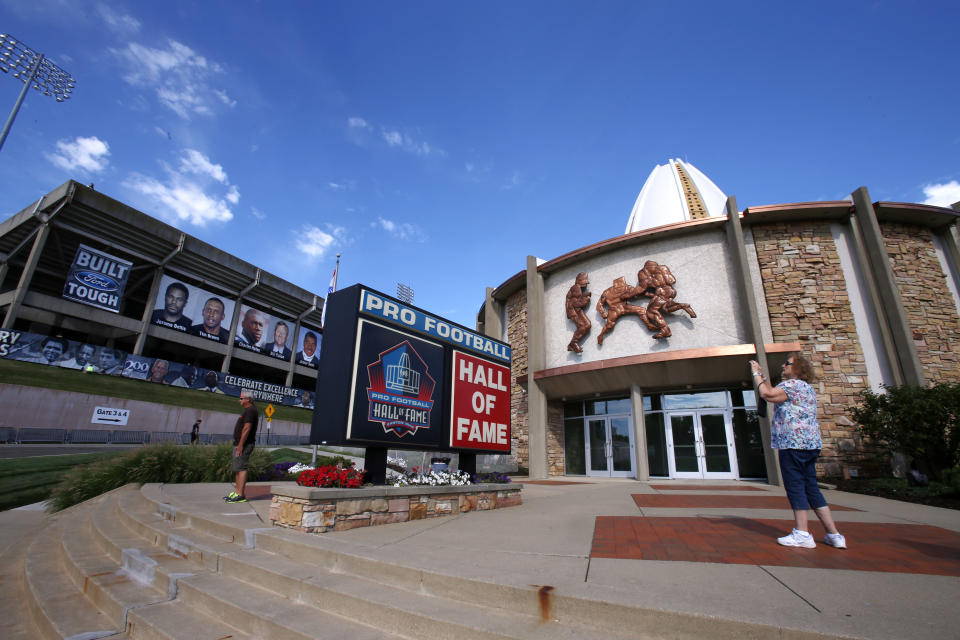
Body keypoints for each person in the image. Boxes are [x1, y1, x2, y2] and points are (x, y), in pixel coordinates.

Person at [750, 353, 847, 550]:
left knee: (795, 487)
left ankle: (802, 533)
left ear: (798, 368)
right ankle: (834, 534)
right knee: (811, 488)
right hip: (810, 445)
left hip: (792, 444)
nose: (783, 366)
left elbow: (767, 395)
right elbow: (771, 391)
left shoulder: (792, 385)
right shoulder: (807, 389)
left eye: (787, 363)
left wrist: (756, 373)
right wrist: (764, 379)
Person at [224, 389, 259, 504]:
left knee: (242, 468)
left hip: (244, 444)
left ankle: (240, 495)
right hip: (240, 444)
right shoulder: (248, 410)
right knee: (237, 468)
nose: (239, 400)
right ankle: (237, 492)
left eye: (241, 398)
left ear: (247, 399)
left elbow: (247, 428)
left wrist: (240, 445)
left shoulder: (251, 411)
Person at [565, 272, 592, 353]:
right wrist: (586, 300)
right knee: (582, 326)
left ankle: (571, 344)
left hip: (577, 309)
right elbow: (576, 303)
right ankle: (574, 343)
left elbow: (577, 300)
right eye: (585, 282)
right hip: (573, 311)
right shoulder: (576, 288)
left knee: (587, 324)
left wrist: (584, 296)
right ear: (580, 281)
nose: (586, 285)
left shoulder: (577, 288)